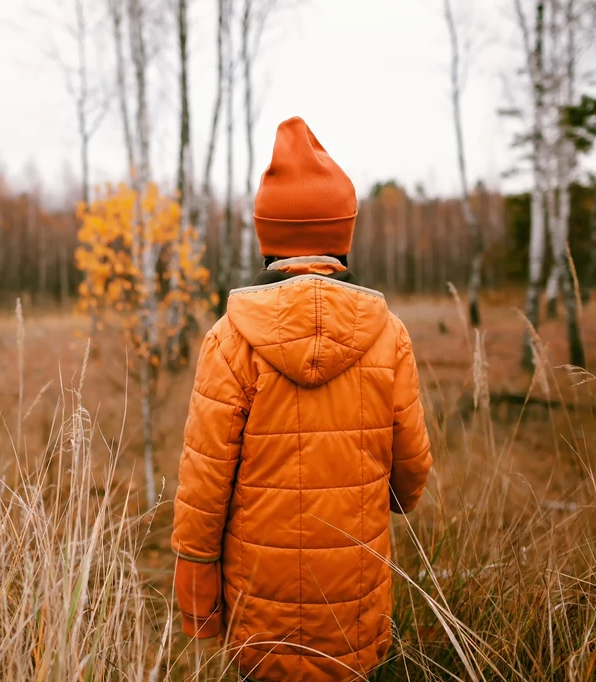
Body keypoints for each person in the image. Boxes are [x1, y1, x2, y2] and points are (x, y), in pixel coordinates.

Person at [171, 116, 433, 681]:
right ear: (343, 235)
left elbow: (204, 483)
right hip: (355, 613)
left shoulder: (229, 339)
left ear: (269, 238)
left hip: (258, 614)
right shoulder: (389, 336)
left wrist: (196, 589)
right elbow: (410, 476)